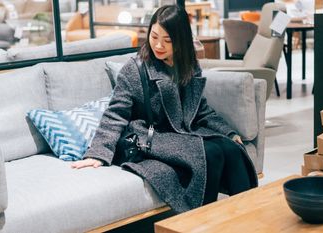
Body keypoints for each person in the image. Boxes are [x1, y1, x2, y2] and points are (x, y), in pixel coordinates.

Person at [71, 5, 257, 213]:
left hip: (182, 133)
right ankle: (198, 222)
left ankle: (247, 217)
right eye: (154, 36)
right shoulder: (135, 68)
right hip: (151, 136)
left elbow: (200, 108)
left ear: (181, 40)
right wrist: (98, 153)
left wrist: (228, 132)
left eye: (168, 40)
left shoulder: (187, 64)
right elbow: (116, 114)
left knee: (232, 149)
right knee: (210, 153)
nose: (158, 45)